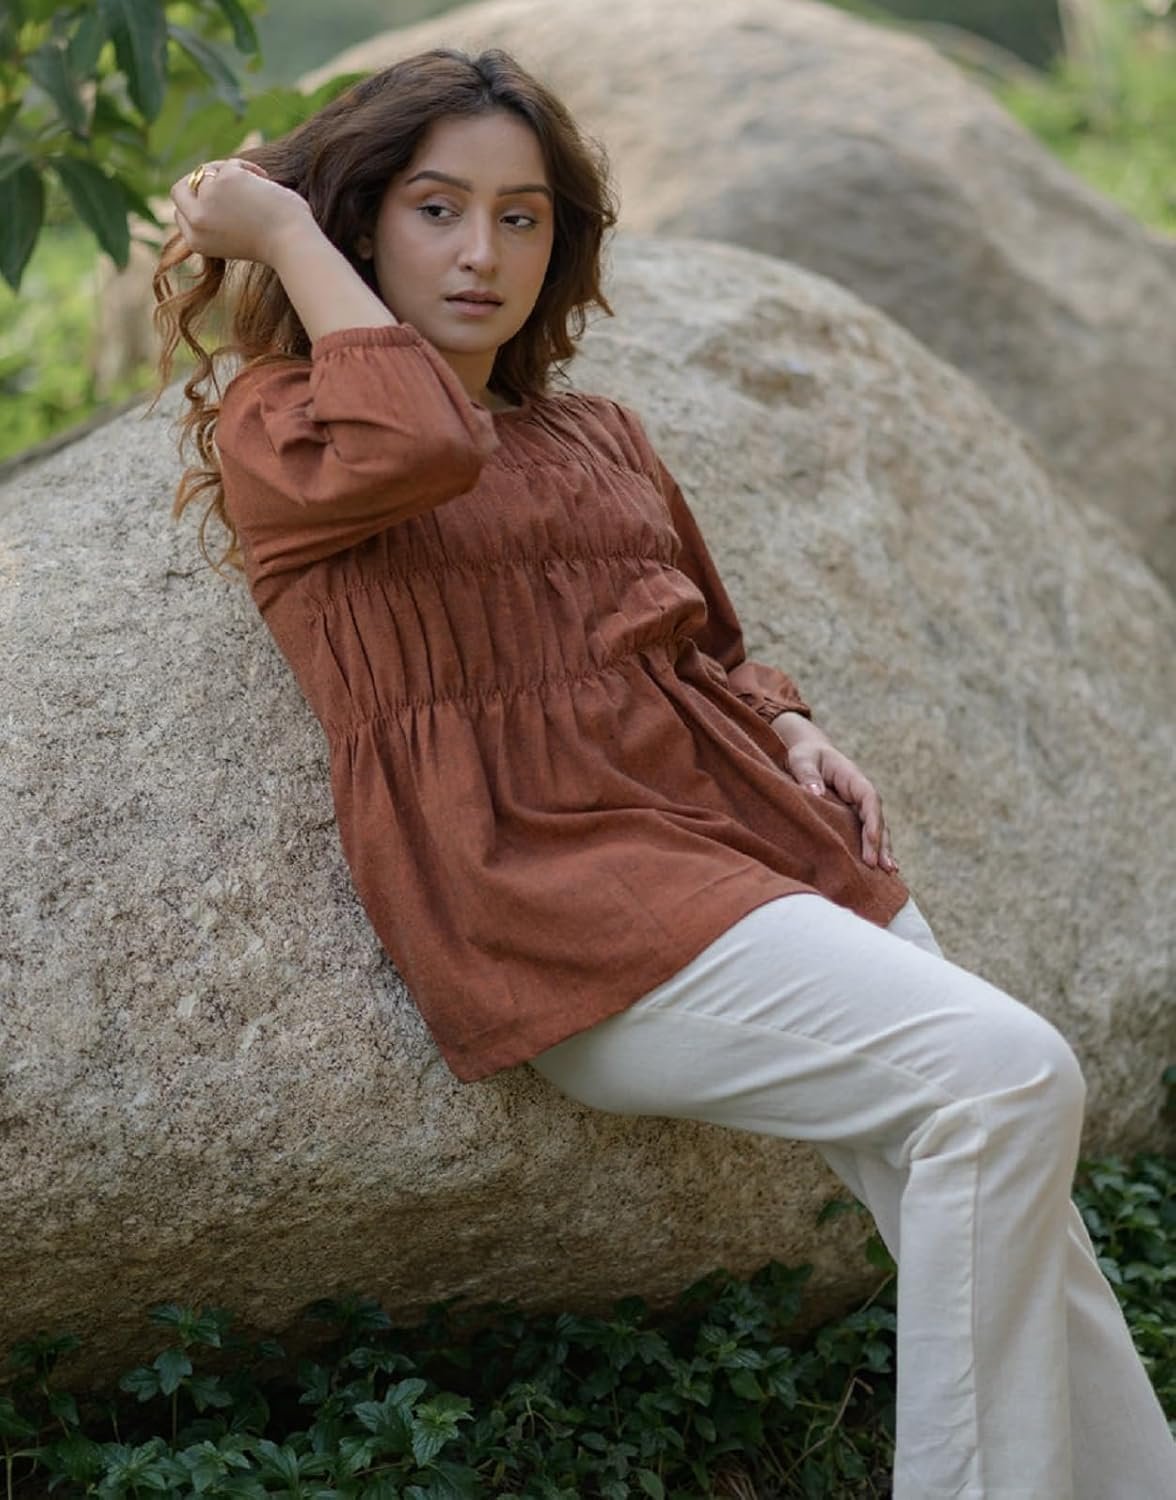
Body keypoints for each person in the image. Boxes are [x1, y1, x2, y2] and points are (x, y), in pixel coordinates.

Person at [153, 46, 1175, 1500]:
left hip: (741, 831)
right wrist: (281, 233)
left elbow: (697, 633)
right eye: (436, 209)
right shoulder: (296, 427)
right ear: (361, 222)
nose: (482, 252)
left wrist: (788, 724)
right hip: (557, 891)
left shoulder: (595, 433)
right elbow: (423, 437)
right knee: (1007, 1079)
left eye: (522, 217)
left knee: (994, 1154)